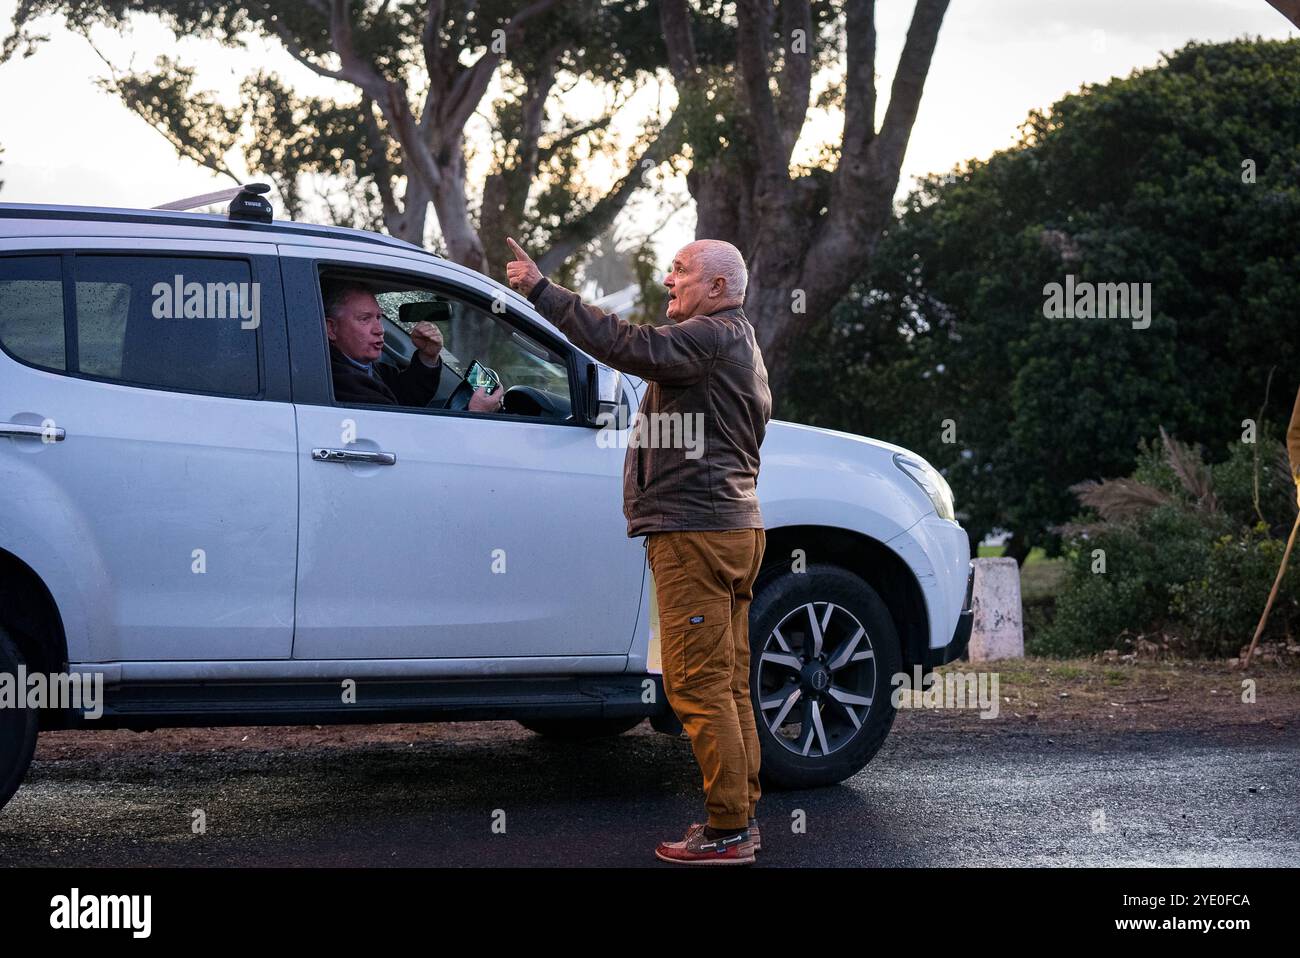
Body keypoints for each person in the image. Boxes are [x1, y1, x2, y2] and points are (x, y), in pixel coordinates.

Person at [506, 236, 771, 866]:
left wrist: (544, 292)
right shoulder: (742, 343)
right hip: (732, 530)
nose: (668, 278)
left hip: (695, 534)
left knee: (698, 686)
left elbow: (626, 345)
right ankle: (738, 817)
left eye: (682, 271)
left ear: (718, 287)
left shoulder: (709, 339)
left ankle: (729, 830)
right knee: (728, 684)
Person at [323, 280, 500, 411]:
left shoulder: (365, 367)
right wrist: (475, 413)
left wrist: (428, 356)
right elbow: (410, 439)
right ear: (331, 328)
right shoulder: (341, 381)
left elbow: (407, 394)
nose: (379, 329)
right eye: (364, 319)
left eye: (378, 317)